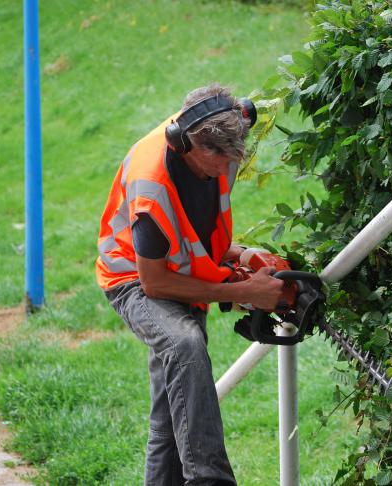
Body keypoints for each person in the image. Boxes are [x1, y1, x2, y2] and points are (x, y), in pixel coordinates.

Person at [95, 84, 284, 485]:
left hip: (180, 269)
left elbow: (195, 225)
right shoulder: (152, 189)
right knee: (184, 344)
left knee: (170, 415)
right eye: (214, 157)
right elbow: (155, 282)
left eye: (231, 156)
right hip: (134, 276)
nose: (223, 168)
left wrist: (241, 255)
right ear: (184, 142)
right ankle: (209, 479)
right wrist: (243, 292)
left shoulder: (222, 144)